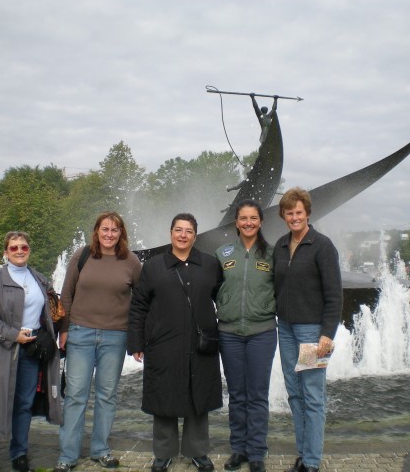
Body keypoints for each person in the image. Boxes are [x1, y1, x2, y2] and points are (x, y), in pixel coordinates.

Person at [128, 213, 223, 472]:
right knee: (164, 396)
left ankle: (197, 451)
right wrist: (136, 341)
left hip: (200, 343)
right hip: (163, 343)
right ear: (170, 233)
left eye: (189, 231)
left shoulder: (210, 265)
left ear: (195, 235)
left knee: (198, 395)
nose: (183, 235)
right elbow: (138, 306)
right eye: (178, 230)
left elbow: (223, 300)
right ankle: (164, 452)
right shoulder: (153, 266)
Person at [54, 212, 142, 472]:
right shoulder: (82, 255)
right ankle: (68, 455)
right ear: (97, 231)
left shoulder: (131, 261)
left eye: (115, 230)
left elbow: (142, 299)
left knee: (106, 396)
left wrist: (137, 336)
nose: (109, 234)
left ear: (121, 233)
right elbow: (66, 293)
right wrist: (64, 330)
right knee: (75, 396)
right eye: (105, 229)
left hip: (116, 336)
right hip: (80, 334)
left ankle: (100, 449)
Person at [0, 231, 62, 472]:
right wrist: (13, 335)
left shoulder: (39, 279)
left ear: (29, 250)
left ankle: (19, 453)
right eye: (14, 248)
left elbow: (50, 312)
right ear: (5, 253)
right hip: (1, 351)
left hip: (30, 350)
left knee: (23, 403)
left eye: (24, 247)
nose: (19, 251)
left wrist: (51, 335)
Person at [273, 188, 342, 472]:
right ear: (283, 216)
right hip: (286, 329)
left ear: (308, 213)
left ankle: (311, 462)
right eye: (289, 213)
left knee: (313, 395)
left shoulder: (322, 246)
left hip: (312, 332)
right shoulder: (279, 245)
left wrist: (327, 333)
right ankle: (303, 455)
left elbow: (335, 295)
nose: (294, 217)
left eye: (299, 212)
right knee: (294, 394)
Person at [214, 199, 277, 472]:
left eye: (253, 218)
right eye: (243, 218)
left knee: (258, 395)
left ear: (260, 221)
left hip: (262, 332)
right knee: (237, 394)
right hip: (229, 333)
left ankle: (257, 452)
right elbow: (212, 288)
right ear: (236, 222)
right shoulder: (223, 253)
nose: (248, 223)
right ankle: (238, 449)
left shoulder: (273, 254)